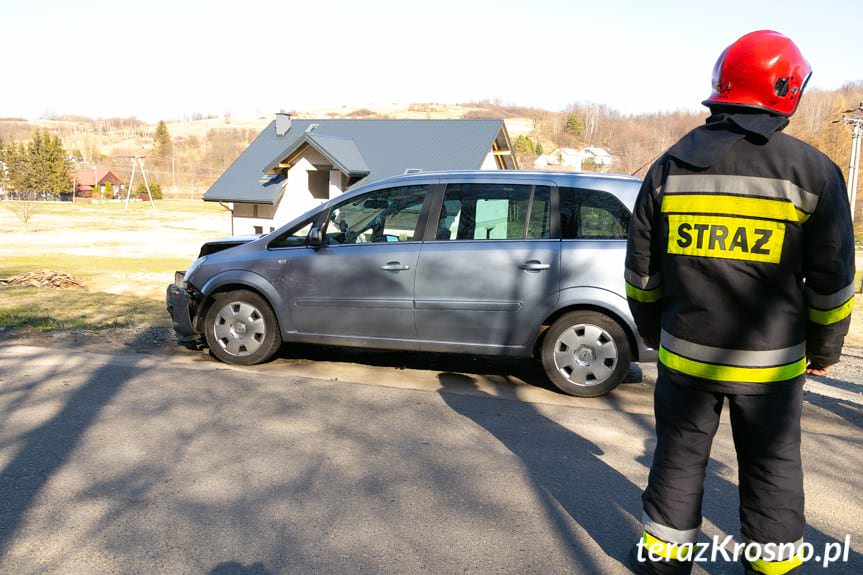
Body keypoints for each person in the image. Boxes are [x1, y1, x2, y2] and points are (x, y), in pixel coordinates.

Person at [624, 30, 855, 575]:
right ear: (787, 90)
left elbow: (641, 273)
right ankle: (771, 567)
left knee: (678, 460)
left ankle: (664, 561)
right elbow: (833, 281)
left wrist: (655, 331)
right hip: (771, 363)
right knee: (773, 466)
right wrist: (825, 347)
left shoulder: (669, 166)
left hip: (685, 355)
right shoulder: (814, 172)